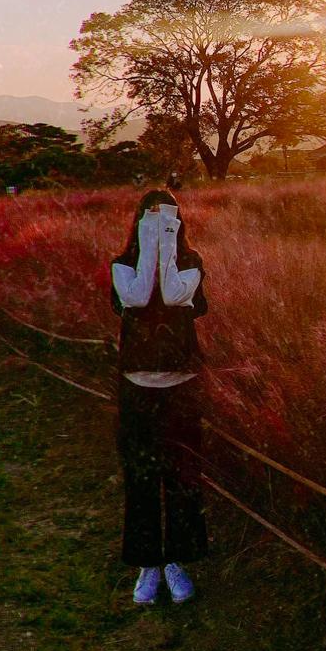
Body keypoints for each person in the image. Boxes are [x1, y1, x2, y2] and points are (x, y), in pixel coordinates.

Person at [110, 188, 209, 605]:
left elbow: (170, 293)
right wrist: (149, 242)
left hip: (181, 389)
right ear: (137, 221)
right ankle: (148, 564)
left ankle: (177, 561)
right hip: (137, 390)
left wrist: (165, 241)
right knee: (142, 479)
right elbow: (135, 297)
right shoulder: (122, 266)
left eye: (166, 217)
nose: (157, 223)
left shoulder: (191, 263)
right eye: (148, 217)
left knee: (183, 481)